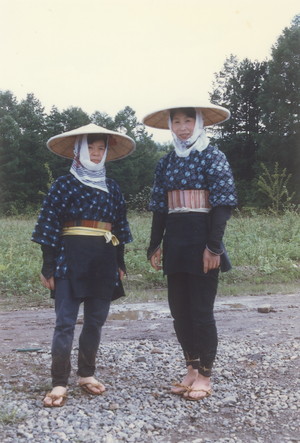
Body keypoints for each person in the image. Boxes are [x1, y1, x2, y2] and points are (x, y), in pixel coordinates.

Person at [32, 123, 135, 407]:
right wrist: (48, 265)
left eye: (101, 148)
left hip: (103, 259)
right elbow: (49, 225)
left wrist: (120, 262)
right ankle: (58, 382)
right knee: (65, 323)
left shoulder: (112, 187)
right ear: (78, 150)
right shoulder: (63, 185)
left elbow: (120, 227)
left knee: (95, 321)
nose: (96, 153)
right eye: (90, 147)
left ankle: (86, 375)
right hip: (69, 258)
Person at [142, 104, 237, 401]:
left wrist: (213, 247)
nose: (182, 127)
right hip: (176, 243)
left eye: (188, 121)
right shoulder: (166, 162)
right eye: (177, 121)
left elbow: (222, 206)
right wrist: (155, 244)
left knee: (200, 312)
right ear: (170, 125)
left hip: (202, 242)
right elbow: (160, 208)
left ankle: (206, 376)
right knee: (179, 311)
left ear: (199, 124)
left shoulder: (213, 156)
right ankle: (191, 369)